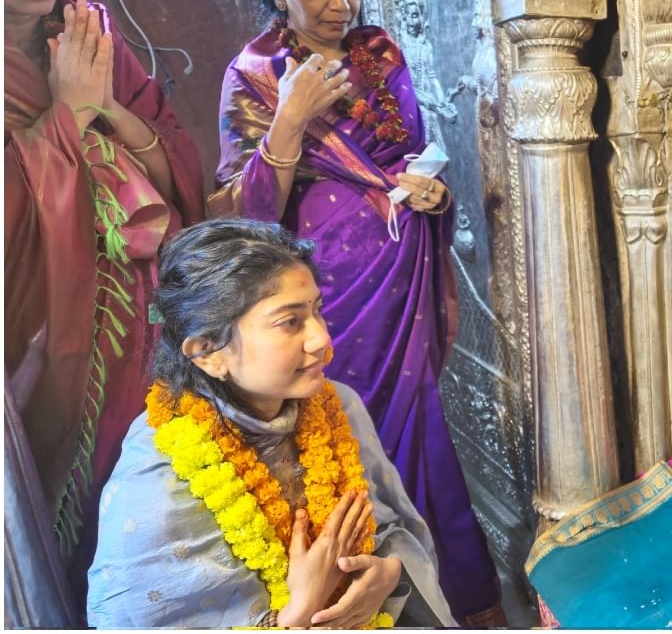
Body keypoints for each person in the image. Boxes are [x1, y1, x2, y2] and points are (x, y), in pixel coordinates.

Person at [210, 0, 503, 625]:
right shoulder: (254, 74)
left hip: (400, 276)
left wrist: (431, 189)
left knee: (420, 433)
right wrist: (288, 120)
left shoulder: (378, 52)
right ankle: (357, 601)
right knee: (346, 435)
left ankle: (453, 602)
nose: (341, 2)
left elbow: (408, 154)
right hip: (329, 296)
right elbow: (241, 217)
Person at [86, 218, 457, 628]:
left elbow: (393, 530)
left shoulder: (340, 407)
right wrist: (298, 613)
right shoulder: (158, 478)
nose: (321, 340)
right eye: (289, 322)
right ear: (208, 352)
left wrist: (388, 575)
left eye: (317, 311)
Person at [3, 0, 204, 590]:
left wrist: (100, 108)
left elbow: (174, 157)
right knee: (69, 498)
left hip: (142, 313)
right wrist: (67, 115)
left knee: (155, 477)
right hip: (41, 325)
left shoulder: (90, 31)